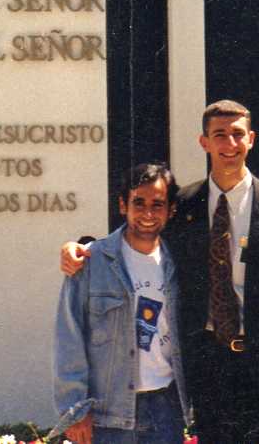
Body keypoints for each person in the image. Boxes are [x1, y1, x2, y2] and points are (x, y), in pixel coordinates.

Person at [62, 100, 259, 443]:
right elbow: (135, 234)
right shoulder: (182, 206)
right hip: (210, 368)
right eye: (220, 135)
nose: (229, 144)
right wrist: (83, 247)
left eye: (237, 134)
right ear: (204, 142)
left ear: (251, 140)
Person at [51, 163, 191, 444]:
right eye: (138, 202)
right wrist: (75, 409)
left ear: (170, 210)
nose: (148, 214)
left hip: (166, 411)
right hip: (107, 414)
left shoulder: (181, 263)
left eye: (157, 204)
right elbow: (69, 337)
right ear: (122, 205)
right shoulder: (92, 262)